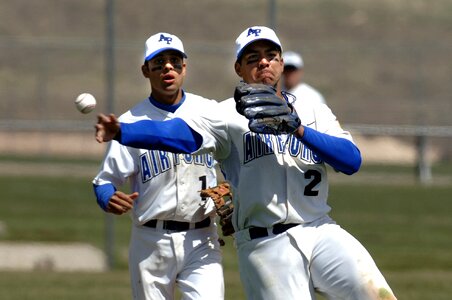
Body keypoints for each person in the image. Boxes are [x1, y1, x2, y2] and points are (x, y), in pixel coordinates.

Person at [94, 26, 397, 300]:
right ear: (239, 68)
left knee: (377, 295)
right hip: (266, 244)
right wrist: (124, 130)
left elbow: (351, 160)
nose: (263, 62)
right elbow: (178, 134)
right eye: (252, 57)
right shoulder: (225, 115)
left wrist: (297, 128)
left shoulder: (312, 110)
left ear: (280, 63)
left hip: (321, 229)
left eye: (270, 55)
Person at [92, 32, 224, 300]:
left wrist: (235, 186)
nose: (168, 67)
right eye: (159, 61)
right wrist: (108, 198)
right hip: (150, 241)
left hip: (202, 237)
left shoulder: (210, 112)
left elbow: (236, 160)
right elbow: (104, 180)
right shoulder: (129, 121)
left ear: (184, 68)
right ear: (145, 70)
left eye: (175, 61)